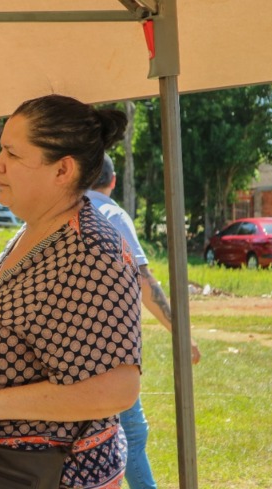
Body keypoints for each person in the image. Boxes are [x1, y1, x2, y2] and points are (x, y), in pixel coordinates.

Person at [0, 94, 142, 489]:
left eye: (12, 153)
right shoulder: (36, 231)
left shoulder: (91, 252)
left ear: (62, 170)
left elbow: (117, 387)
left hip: (39, 474)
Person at [87, 154, 202, 489]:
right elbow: (145, 284)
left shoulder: (58, 212)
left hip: (64, 347)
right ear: (112, 181)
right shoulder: (111, 214)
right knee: (132, 433)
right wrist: (181, 333)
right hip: (108, 350)